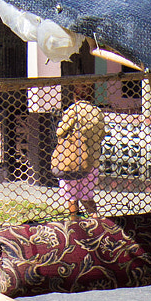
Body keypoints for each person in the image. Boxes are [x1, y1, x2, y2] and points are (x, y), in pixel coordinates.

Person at [51, 79, 106, 218]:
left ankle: (74, 223)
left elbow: (60, 132)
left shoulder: (73, 110)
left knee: (72, 196)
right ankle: (96, 222)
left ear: (75, 94)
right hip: (92, 161)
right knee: (87, 196)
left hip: (73, 160)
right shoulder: (97, 111)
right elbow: (102, 134)